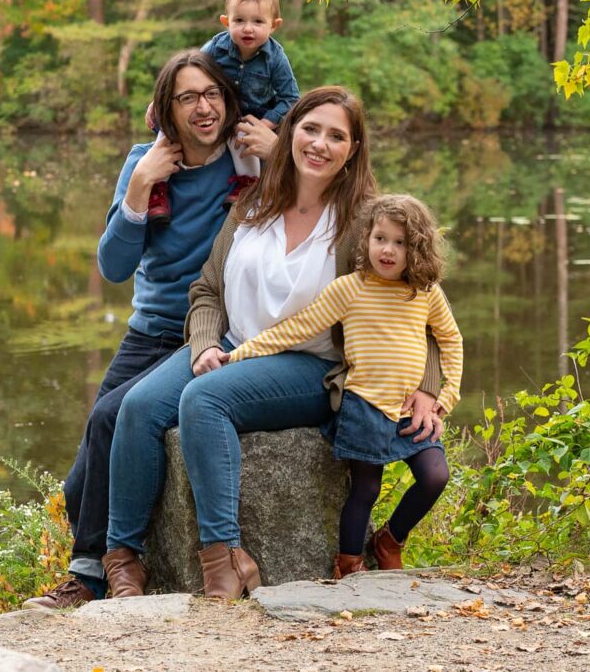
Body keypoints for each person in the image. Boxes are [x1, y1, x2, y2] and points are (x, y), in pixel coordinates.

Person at [102, 87, 446, 600]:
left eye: (336, 136)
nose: (320, 144)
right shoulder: (253, 200)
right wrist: (203, 344)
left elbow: (422, 303)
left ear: (353, 149)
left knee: (204, 399)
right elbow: (207, 289)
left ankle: (224, 559)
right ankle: (123, 560)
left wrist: (427, 387)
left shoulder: (366, 222)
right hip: (233, 344)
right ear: (290, 134)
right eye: (310, 129)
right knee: (137, 407)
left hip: (312, 365)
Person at [23, 49, 257, 610]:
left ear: (227, 99)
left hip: (213, 332)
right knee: (81, 477)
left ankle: (91, 576)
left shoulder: (246, 162)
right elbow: (112, 267)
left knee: (110, 416)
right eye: (187, 98)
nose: (203, 108)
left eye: (212, 94)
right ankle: (103, 564)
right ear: (166, 110)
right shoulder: (143, 164)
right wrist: (139, 187)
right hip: (151, 331)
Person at [228, 194, 462, 578]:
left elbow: (450, 340)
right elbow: (297, 328)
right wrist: (240, 353)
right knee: (365, 489)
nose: (387, 250)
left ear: (417, 248)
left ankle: (390, 540)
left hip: (408, 409)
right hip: (364, 406)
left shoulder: (425, 293)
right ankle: (349, 564)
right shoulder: (349, 289)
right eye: (380, 238)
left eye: (400, 243)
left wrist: (443, 398)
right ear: (366, 239)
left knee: (435, 476)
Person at [146, 0, 301, 225]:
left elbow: (291, 98)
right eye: (239, 21)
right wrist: (159, 101)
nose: (248, 29)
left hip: (251, 115)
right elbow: (186, 72)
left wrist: (267, 123)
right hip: (217, 109)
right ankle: (157, 188)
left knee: (245, 135)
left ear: (274, 25)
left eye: (258, 22)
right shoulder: (216, 47)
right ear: (226, 22)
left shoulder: (275, 58)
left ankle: (247, 183)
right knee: (168, 125)